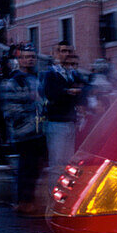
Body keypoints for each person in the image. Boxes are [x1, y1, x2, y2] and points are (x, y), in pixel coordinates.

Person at [1, 46, 45, 216]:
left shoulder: (36, 78)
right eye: (26, 57)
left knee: (34, 169)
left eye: (33, 57)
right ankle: (22, 202)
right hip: (24, 132)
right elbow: (10, 108)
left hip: (37, 131)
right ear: (20, 60)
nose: (30, 60)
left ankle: (28, 200)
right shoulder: (14, 80)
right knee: (26, 168)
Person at [42, 42, 81, 174]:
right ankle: (53, 192)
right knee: (57, 163)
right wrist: (68, 92)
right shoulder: (51, 74)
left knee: (67, 162)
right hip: (57, 122)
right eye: (63, 51)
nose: (66, 54)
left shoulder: (71, 73)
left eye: (68, 51)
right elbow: (51, 94)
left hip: (69, 121)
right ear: (55, 54)